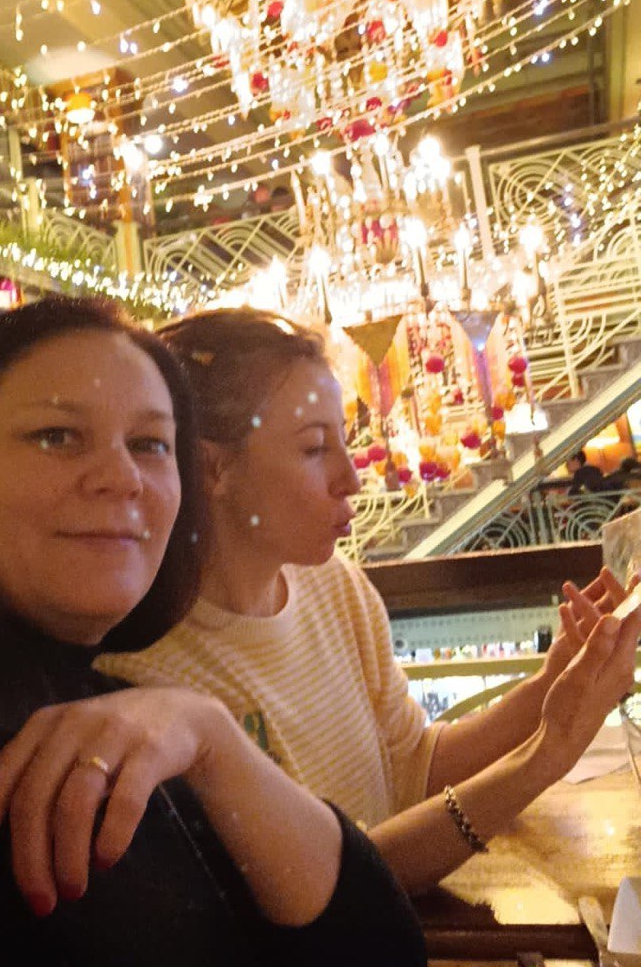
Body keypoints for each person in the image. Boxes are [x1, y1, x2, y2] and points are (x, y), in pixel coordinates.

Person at [0, 295, 430, 967]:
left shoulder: (116, 711)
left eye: (149, 444)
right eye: (57, 436)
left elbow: (378, 938)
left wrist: (209, 734)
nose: (121, 477)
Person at [98, 307, 640, 893]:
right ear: (213, 467)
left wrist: (552, 685)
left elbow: (412, 770)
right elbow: (333, 883)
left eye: (345, 441)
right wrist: (546, 756)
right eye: (314, 448)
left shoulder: (337, 587)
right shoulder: (145, 677)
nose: (351, 478)